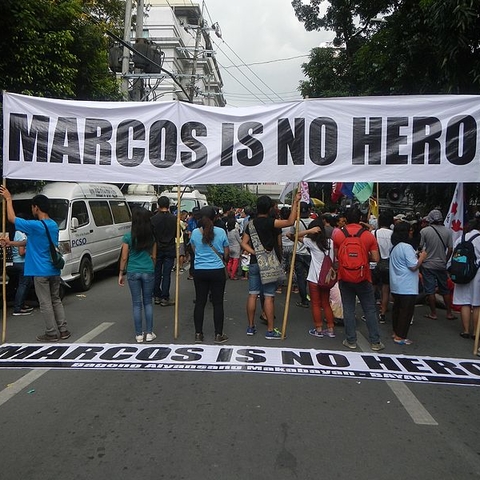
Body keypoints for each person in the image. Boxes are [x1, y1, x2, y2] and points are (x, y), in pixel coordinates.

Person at [0, 186, 69, 342]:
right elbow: (30, 242)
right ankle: (63, 330)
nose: (32, 209)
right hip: (54, 269)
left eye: (32, 207)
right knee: (55, 299)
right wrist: (10, 243)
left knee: (45, 303)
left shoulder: (35, 225)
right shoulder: (52, 225)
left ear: (36, 207)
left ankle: (51, 333)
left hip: (40, 271)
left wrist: (8, 199)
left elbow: (12, 218)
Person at [241, 192, 301, 339]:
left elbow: (243, 243)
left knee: (252, 294)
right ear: (269, 209)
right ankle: (270, 330)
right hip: (269, 264)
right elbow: (290, 222)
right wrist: (295, 203)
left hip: (255, 263)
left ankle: (250, 327)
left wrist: (255, 252)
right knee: (269, 297)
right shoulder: (271, 222)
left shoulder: (251, 224)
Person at [332, 207, 385, 351]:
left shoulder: (338, 235)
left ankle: (351, 340)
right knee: (369, 309)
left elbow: (337, 257)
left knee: (348, 309)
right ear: (360, 219)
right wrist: (362, 259)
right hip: (363, 276)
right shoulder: (368, 236)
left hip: (345, 276)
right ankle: (375, 341)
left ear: (346, 219)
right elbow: (376, 258)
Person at [189, 206, 229, 344]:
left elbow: (194, 250)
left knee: (200, 302)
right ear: (215, 217)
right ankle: (218, 334)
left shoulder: (194, 233)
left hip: (199, 270)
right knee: (218, 303)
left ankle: (198, 334)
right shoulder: (221, 232)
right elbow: (226, 253)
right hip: (217, 270)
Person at [119, 207, 157, 343]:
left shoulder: (128, 237)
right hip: (148, 270)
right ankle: (149, 333)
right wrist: (151, 267)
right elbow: (154, 257)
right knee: (148, 302)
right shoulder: (151, 237)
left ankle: (138, 335)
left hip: (133, 271)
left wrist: (121, 273)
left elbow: (124, 257)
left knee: (136, 303)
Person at [297, 219, 336, 338]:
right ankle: (330, 329)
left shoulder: (310, 242)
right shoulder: (331, 242)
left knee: (315, 303)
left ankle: (318, 329)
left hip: (314, 277)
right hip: (327, 278)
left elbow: (293, 236)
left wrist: (309, 230)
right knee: (326, 303)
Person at [389, 222, 427, 345]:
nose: (411, 233)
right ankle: (400, 336)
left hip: (396, 283)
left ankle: (396, 332)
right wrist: (422, 257)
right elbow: (413, 266)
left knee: (397, 310)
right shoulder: (406, 247)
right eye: (409, 231)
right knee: (406, 311)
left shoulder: (394, 247)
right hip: (407, 285)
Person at [419, 209, 455, 320]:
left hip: (428, 264)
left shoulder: (424, 231)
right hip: (441, 265)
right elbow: (450, 249)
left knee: (430, 290)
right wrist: (445, 259)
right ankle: (449, 313)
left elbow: (420, 247)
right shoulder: (448, 232)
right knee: (445, 289)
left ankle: (433, 313)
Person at [451, 218, 480, 341]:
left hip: (462, 272)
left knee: (465, 302)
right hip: (477, 272)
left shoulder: (461, 238)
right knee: (477, 303)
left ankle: (466, 330)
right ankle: (475, 333)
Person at [151, 196, 177, 306]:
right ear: (168, 205)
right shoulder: (174, 218)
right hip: (170, 248)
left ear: (158, 205)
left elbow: (152, 235)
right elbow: (177, 233)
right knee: (167, 274)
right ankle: (165, 297)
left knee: (156, 273)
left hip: (157, 249)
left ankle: (156, 295)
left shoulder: (153, 219)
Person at [2, 228, 34, 315]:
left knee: (28, 282)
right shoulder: (21, 235)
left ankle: (21, 304)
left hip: (16, 262)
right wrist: (32, 249)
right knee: (23, 284)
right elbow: (21, 252)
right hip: (22, 263)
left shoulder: (14, 234)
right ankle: (18, 307)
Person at [290, 202, 313, 308]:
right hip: (310, 253)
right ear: (309, 210)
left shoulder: (295, 223)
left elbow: (291, 236)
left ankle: (304, 300)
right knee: (312, 277)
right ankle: (315, 297)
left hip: (298, 252)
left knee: (300, 277)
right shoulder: (314, 223)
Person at [373, 213, 394, 323]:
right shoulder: (393, 234)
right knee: (386, 290)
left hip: (376, 263)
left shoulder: (374, 233)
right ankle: (382, 313)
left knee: (372, 288)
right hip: (389, 264)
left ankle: (370, 312)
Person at [226, 215, 241, 280]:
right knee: (235, 262)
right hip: (236, 247)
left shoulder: (227, 231)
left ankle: (228, 272)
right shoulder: (235, 231)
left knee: (230, 261)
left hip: (230, 246)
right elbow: (239, 240)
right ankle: (233, 275)